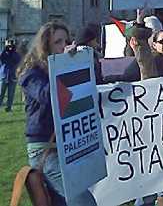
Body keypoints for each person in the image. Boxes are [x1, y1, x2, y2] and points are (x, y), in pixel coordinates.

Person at [17, 21, 97, 205]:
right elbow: (48, 96)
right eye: (57, 42)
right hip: (44, 149)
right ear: (45, 46)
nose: (63, 47)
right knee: (84, 201)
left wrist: (79, 63)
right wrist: (66, 66)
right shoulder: (31, 73)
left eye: (66, 41)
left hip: (67, 145)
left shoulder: (60, 67)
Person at [130, 28, 163, 206]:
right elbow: (145, 67)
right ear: (154, 44)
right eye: (162, 42)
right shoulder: (153, 60)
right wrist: (139, 24)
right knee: (151, 178)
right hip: (153, 126)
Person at [0, 39, 21, 112]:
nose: (10, 47)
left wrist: (13, 51)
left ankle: (9, 108)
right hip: (4, 76)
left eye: (11, 45)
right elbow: (1, 57)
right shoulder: (4, 54)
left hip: (12, 76)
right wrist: (5, 49)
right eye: (9, 45)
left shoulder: (16, 54)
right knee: (0, 93)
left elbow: (17, 59)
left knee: (11, 94)